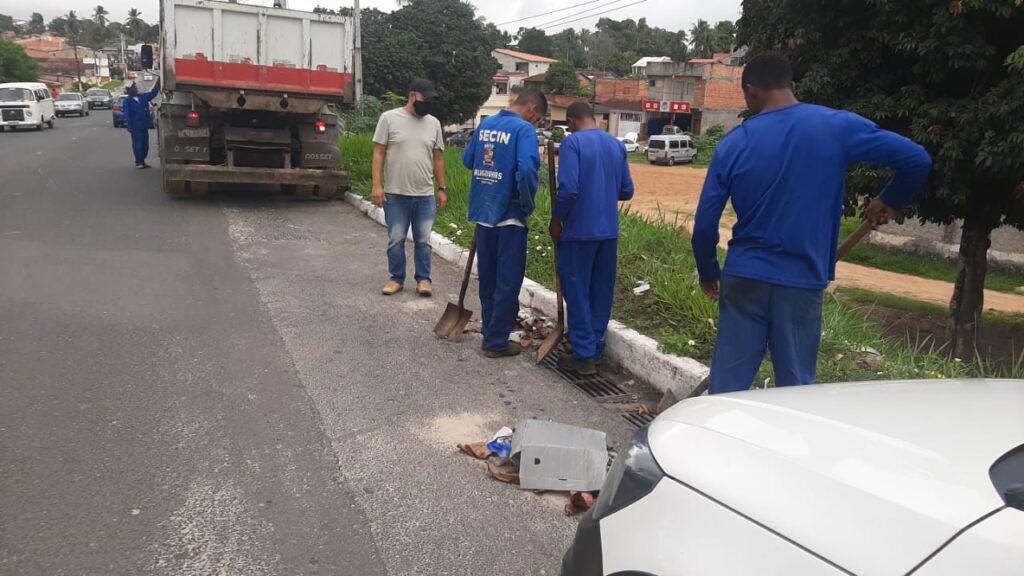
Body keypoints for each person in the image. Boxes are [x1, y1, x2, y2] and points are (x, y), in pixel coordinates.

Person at [692, 52, 932, 394]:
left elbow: (704, 226)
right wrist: (889, 199)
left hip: (745, 276)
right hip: (801, 280)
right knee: (796, 389)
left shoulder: (733, 144)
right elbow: (916, 160)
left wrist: (708, 271)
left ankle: (715, 442)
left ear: (751, 92)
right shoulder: (836, 126)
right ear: (792, 86)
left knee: (727, 388)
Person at [549, 103, 634, 375]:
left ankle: (583, 355)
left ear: (572, 121)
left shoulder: (572, 143)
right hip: (608, 231)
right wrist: (603, 190)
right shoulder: (616, 145)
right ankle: (595, 349)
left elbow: (568, 190)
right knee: (600, 291)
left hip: (579, 231)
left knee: (576, 290)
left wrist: (556, 220)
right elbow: (626, 191)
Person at [462, 90, 547, 358]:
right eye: (538, 119)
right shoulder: (523, 130)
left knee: (488, 278)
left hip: (484, 213)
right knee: (507, 281)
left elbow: (467, 160)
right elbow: (528, 170)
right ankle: (496, 342)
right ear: (533, 109)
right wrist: (527, 204)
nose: (535, 124)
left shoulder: (486, 123)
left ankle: (491, 331)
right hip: (510, 216)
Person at [372, 79, 448, 297]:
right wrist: (377, 186)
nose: (429, 104)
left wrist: (442, 188)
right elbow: (378, 153)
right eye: (426, 99)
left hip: (424, 195)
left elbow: (438, 158)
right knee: (396, 239)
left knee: (423, 241)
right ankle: (396, 278)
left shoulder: (433, 123)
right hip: (395, 194)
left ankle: (424, 279)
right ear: (413, 95)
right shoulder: (389, 118)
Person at [123, 78, 161, 168]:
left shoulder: (142, 97)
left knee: (145, 145)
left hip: (144, 125)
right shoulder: (127, 101)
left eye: (135, 87)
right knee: (138, 144)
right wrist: (129, 126)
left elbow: (152, 94)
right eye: (133, 87)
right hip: (136, 127)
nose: (136, 88)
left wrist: (158, 84)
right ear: (129, 90)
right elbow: (127, 115)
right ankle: (138, 161)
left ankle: (143, 161)